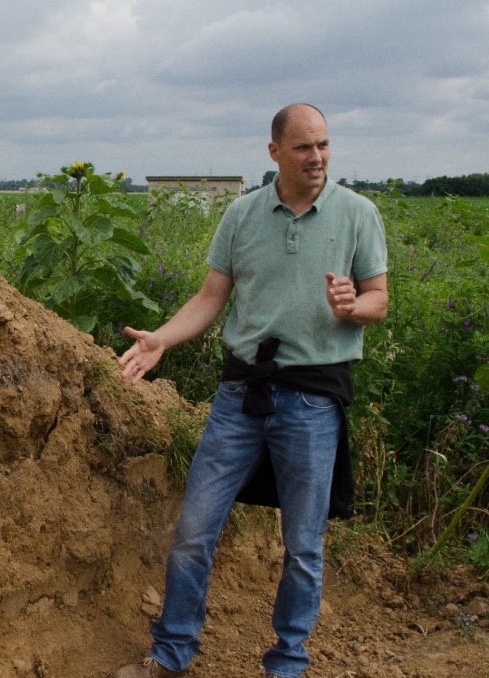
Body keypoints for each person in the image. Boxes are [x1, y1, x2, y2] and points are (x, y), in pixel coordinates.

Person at [113, 103, 388, 678]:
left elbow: (378, 299)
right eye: (304, 148)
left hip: (312, 400)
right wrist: (161, 339)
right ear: (274, 153)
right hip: (240, 397)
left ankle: (286, 662)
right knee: (193, 531)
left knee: (304, 546)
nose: (318, 158)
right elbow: (211, 298)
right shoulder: (241, 216)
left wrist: (353, 307)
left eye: (324, 145)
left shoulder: (359, 214)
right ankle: (171, 653)